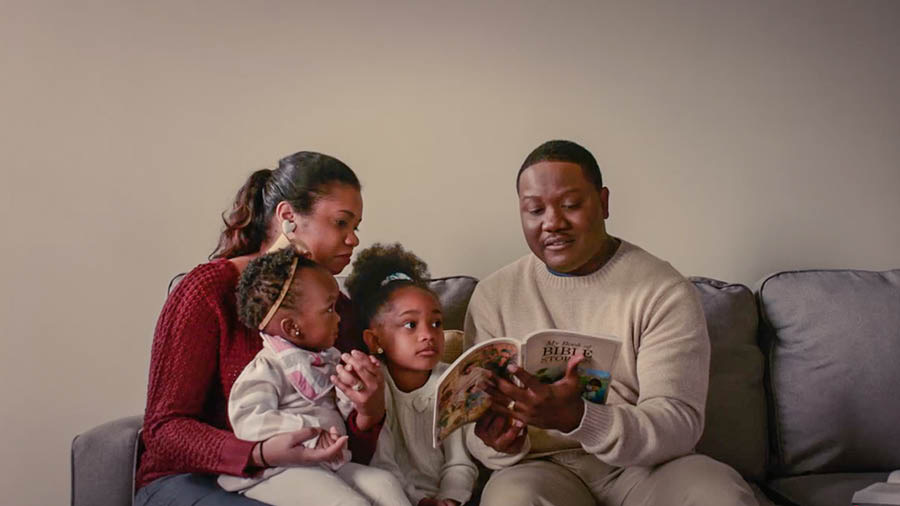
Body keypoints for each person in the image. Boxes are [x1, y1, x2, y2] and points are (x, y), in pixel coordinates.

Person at [463, 140, 757, 506]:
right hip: (540, 468)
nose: (552, 222)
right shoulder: (495, 295)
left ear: (603, 203)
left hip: (647, 469)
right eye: (535, 209)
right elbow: (472, 427)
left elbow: (679, 423)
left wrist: (580, 417)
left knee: (717, 492)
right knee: (511, 501)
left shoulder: (663, 290)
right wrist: (498, 443)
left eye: (570, 205)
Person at [136, 151, 386, 506]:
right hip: (189, 480)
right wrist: (259, 453)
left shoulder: (337, 312)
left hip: (308, 479)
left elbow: (346, 451)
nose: (353, 240)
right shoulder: (207, 292)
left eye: (356, 226)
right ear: (288, 218)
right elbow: (164, 430)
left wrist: (368, 414)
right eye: (341, 223)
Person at [218, 247, 410, 506]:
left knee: (386, 485)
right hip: (281, 470)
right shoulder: (267, 368)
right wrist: (306, 431)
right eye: (330, 309)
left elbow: (342, 411)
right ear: (292, 327)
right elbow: (248, 420)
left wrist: (355, 389)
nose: (339, 318)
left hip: (328, 462)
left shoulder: (328, 358)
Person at [345, 243, 478, 506]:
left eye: (436, 323)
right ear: (374, 340)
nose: (428, 334)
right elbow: (382, 464)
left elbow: (460, 462)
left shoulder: (453, 382)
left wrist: (449, 499)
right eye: (410, 324)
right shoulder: (374, 386)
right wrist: (418, 501)